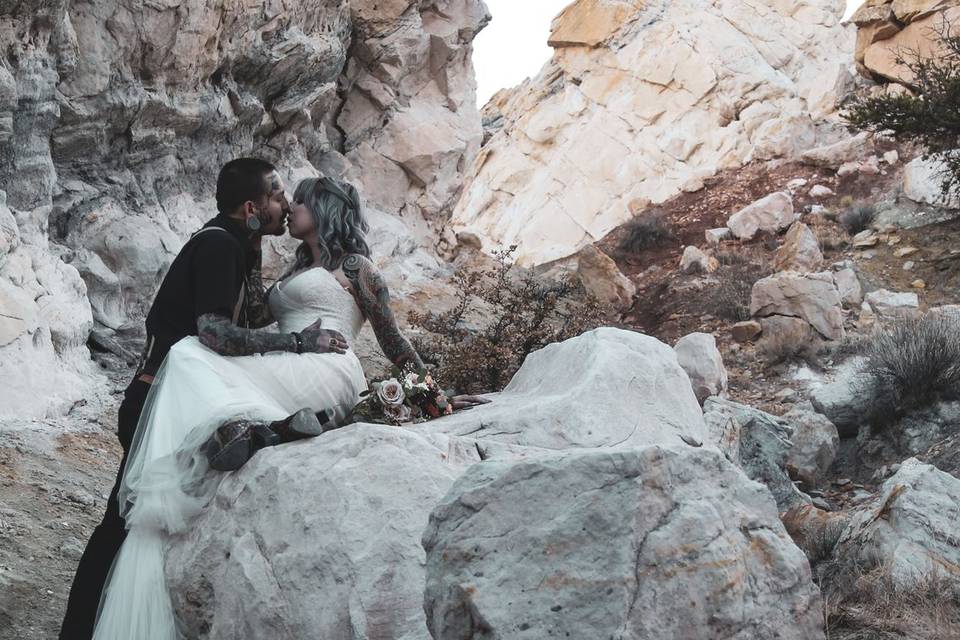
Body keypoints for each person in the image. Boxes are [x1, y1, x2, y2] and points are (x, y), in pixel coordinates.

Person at [89, 175, 488, 640]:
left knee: (186, 356)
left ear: (325, 210)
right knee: (189, 356)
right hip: (288, 361)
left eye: (301, 200)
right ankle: (259, 430)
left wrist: (435, 398)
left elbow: (392, 338)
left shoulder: (357, 268)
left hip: (328, 368)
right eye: (289, 198)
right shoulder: (290, 270)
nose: (292, 206)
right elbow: (251, 325)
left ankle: (258, 429)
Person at [59, 158, 346, 640]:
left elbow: (247, 322)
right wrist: (298, 344)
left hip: (176, 398)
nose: (286, 203)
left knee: (139, 523)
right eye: (278, 195)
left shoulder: (240, 246)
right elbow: (215, 333)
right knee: (127, 524)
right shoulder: (217, 246)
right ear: (253, 207)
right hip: (160, 399)